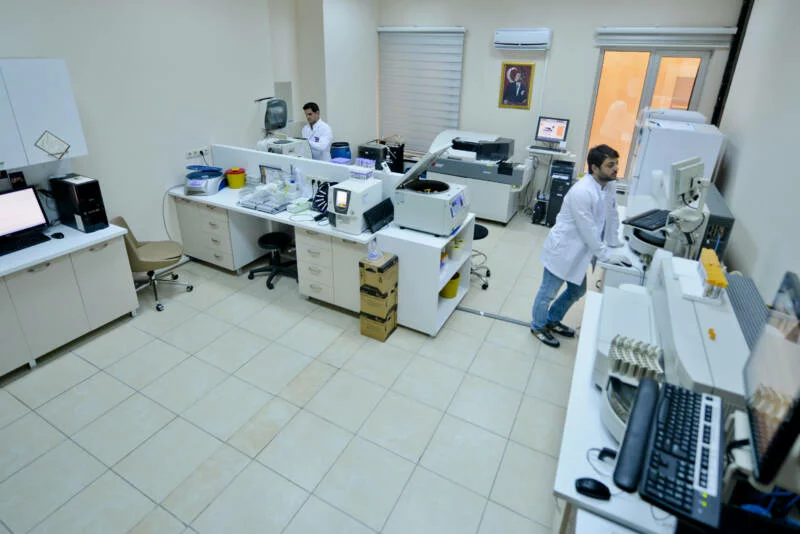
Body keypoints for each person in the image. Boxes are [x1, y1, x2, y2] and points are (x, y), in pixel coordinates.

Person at [530, 144, 630, 348]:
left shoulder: (609, 185)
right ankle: (538, 326)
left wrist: (614, 242)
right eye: (610, 165)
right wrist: (606, 255)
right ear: (594, 168)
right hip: (563, 250)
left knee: (577, 291)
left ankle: (552, 320)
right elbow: (589, 229)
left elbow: (611, 213)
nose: (615, 169)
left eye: (616, 164)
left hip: (580, 251)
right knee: (548, 292)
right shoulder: (582, 192)